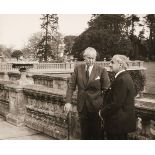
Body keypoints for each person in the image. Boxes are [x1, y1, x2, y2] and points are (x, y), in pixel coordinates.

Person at [64, 47, 110, 140]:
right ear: (84, 58)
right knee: (84, 135)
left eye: (93, 58)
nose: (92, 60)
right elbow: (71, 86)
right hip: (82, 107)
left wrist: (103, 107)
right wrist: (68, 101)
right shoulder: (78, 69)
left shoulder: (101, 70)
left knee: (97, 135)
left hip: (96, 109)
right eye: (89, 58)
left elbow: (107, 90)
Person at [99, 55, 136, 140]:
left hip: (117, 124)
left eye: (112, 62)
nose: (109, 64)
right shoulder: (124, 77)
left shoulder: (121, 79)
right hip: (119, 124)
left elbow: (115, 103)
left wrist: (101, 112)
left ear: (120, 65)